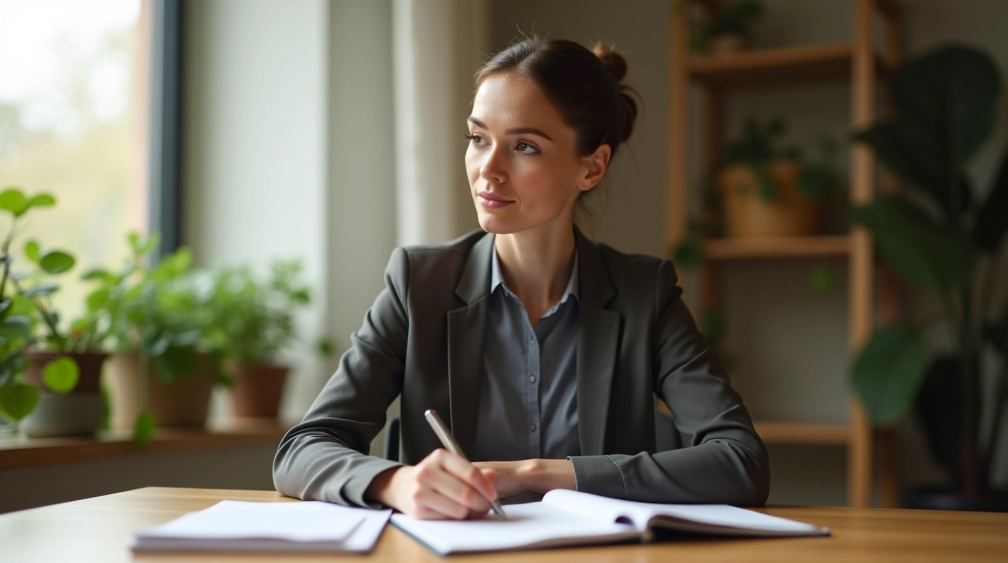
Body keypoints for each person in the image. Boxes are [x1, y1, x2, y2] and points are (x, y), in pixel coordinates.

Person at [273, 36, 769, 520]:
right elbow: (301, 450)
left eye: (525, 146)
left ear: (591, 168)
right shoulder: (417, 284)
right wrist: (396, 482)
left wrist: (534, 474)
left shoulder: (645, 293)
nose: (488, 170)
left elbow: (740, 460)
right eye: (477, 138)